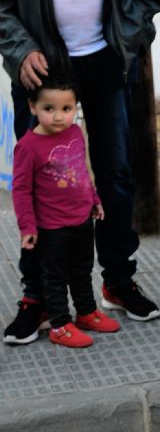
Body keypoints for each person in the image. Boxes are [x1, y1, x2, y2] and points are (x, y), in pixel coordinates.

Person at [0, 0, 160, 346]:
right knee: (38, 185)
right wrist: (18, 48)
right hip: (39, 66)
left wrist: (130, 37)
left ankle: (117, 281)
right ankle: (37, 297)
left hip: (106, 56)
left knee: (114, 175)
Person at [11, 75, 120, 348]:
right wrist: (27, 228)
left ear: (75, 108)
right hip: (52, 228)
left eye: (66, 109)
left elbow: (81, 172)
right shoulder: (28, 146)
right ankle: (60, 324)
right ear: (33, 107)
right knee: (55, 277)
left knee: (82, 270)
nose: (58, 116)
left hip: (83, 220)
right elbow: (21, 190)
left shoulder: (75, 133)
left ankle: (86, 313)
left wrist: (94, 200)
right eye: (49, 109)